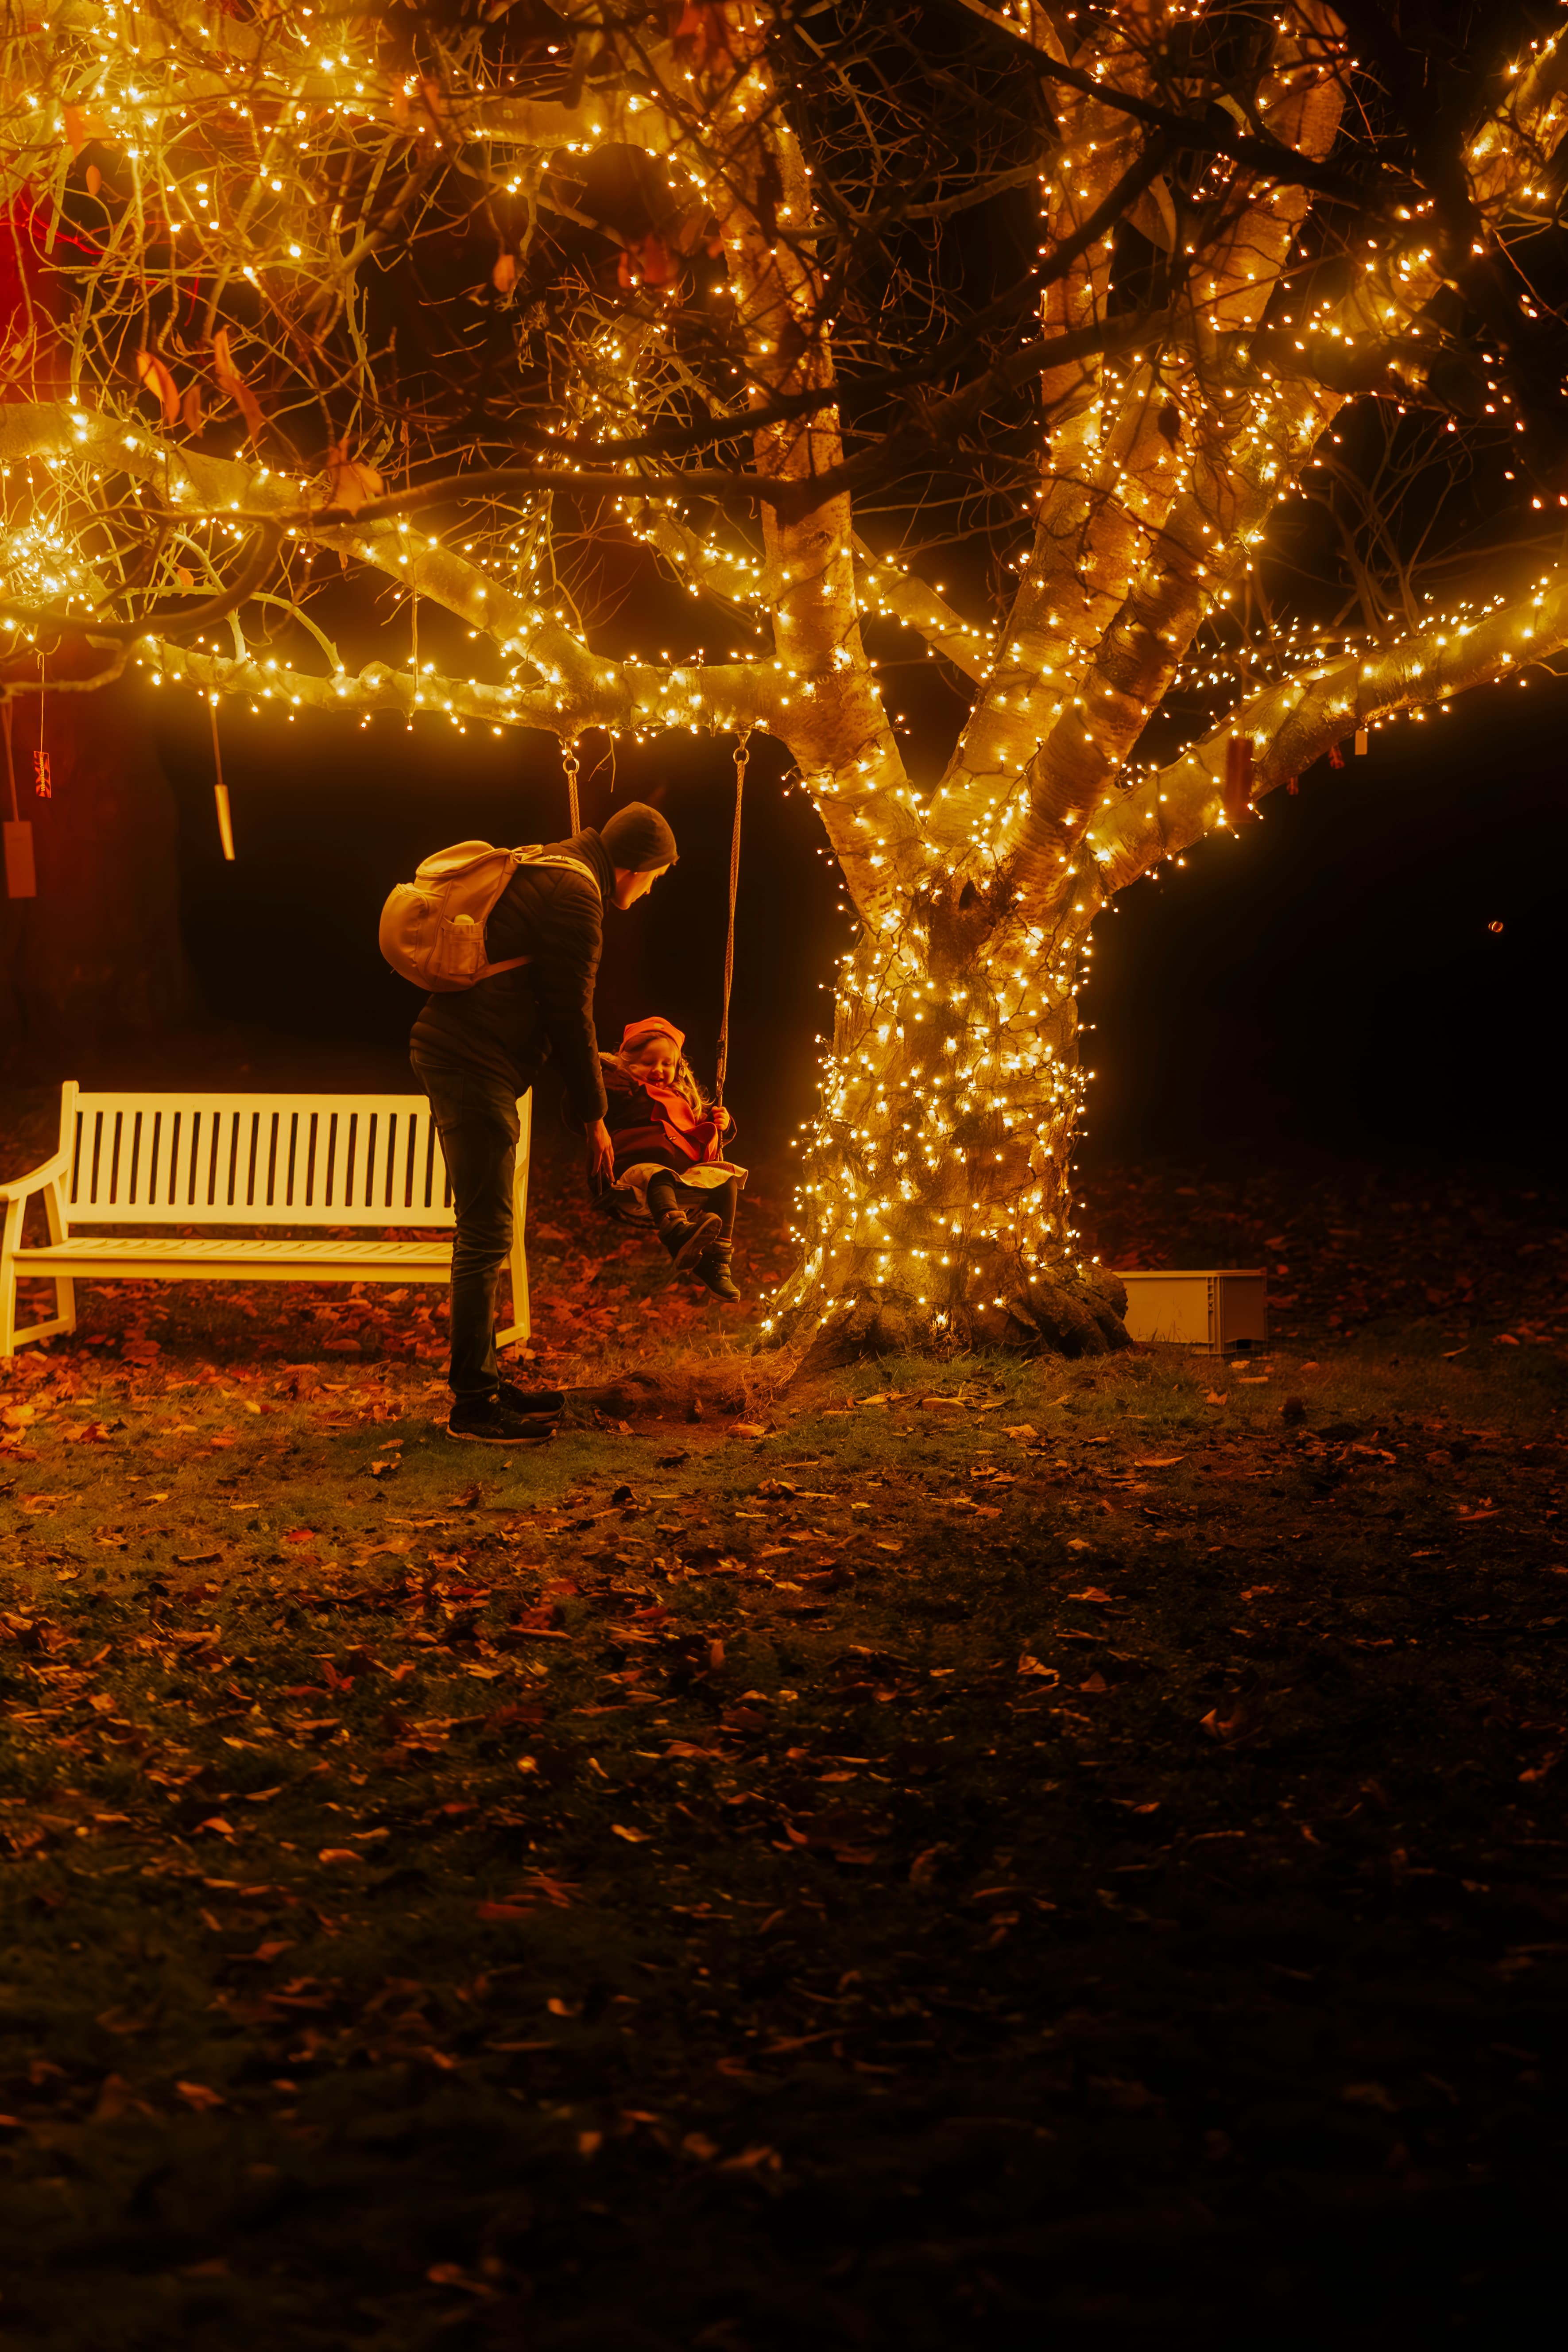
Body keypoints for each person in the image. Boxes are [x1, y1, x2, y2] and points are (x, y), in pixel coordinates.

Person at [410, 800, 678, 1443]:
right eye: (655, 877)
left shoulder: (550, 863)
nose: (650, 890)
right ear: (634, 866)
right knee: (485, 1232)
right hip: (471, 1061)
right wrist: (595, 1119)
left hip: (471, 1054)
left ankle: (486, 1379)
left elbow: (545, 1002)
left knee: (491, 1229)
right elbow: (569, 1012)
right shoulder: (577, 896)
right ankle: (473, 1406)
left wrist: (600, 1071)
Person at [599, 1017, 744, 1301]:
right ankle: (676, 1231)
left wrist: (722, 1124)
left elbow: (698, 1129)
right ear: (627, 1061)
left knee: (727, 1179)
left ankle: (716, 1263)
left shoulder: (682, 1097)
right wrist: (596, 1078)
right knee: (658, 1174)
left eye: (667, 1064)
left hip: (681, 1175)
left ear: (678, 1068)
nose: (658, 1070)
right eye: (648, 1062)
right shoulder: (621, 1088)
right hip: (633, 1171)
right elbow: (587, 1106)